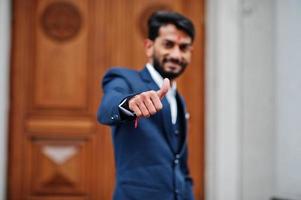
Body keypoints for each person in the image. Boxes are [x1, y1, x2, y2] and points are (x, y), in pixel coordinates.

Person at [97, 10, 195, 200]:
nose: (176, 54)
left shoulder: (179, 99)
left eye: (184, 48)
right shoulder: (124, 79)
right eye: (168, 45)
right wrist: (130, 105)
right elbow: (107, 107)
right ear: (149, 47)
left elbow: (180, 164)